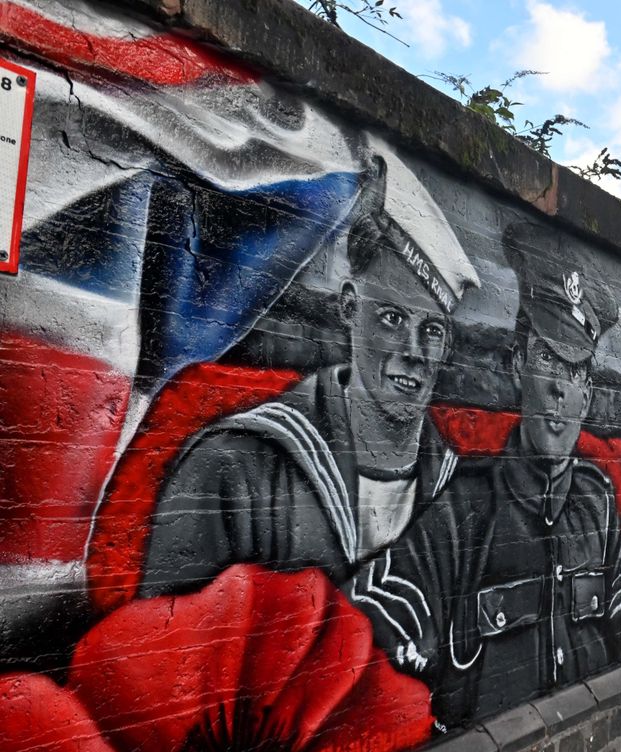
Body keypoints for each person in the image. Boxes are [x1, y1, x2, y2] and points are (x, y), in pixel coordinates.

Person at [347, 221, 621, 725]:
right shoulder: (465, 509)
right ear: (518, 366)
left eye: (575, 372)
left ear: (588, 396)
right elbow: (367, 629)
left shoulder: (596, 502)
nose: (560, 390)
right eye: (547, 360)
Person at [137, 154, 479, 602]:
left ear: (448, 344)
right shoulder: (235, 470)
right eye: (392, 318)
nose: (413, 352)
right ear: (350, 308)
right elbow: (163, 637)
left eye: (432, 330)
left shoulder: (462, 492)